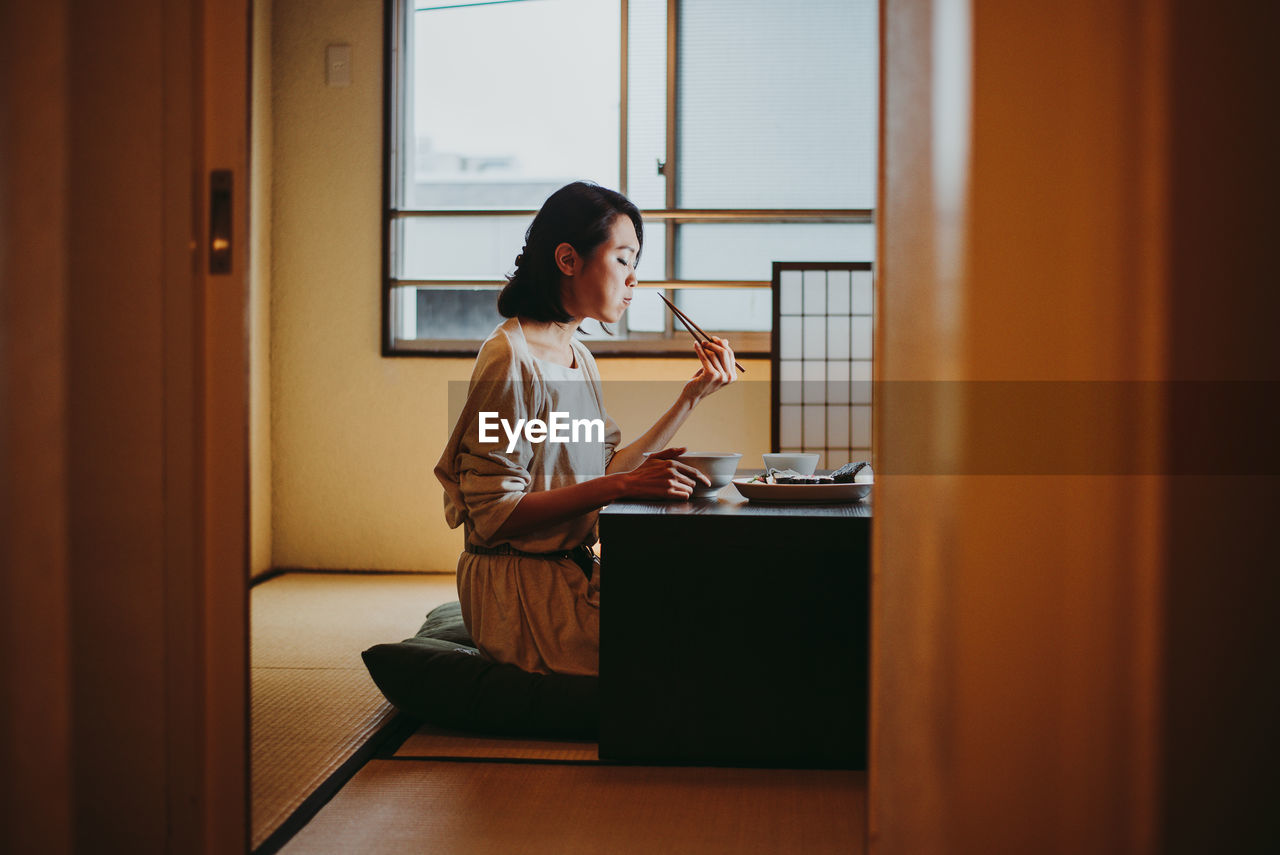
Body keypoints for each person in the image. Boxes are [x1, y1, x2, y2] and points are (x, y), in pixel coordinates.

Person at [434, 181, 739, 676]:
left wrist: (691, 398)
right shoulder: (510, 358)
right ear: (568, 260)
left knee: (711, 604)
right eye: (623, 259)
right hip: (519, 593)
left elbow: (605, 468)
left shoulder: (578, 356)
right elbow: (495, 514)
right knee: (690, 650)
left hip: (567, 572)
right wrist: (623, 484)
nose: (634, 278)